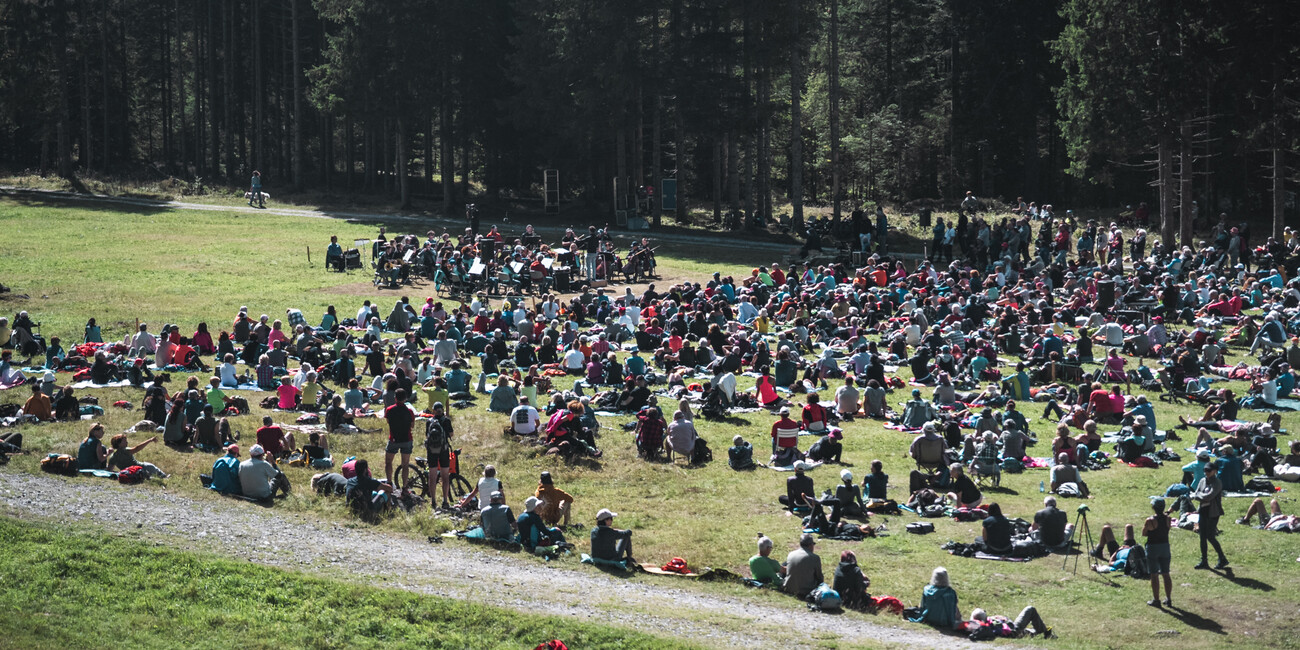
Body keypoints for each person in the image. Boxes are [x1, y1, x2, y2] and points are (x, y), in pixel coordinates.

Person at [1192, 461, 1229, 570]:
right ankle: (1204, 560)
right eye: (1205, 470)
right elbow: (1196, 493)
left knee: (1210, 536)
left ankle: (1222, 558)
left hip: (1213, 512)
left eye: (1208, 470)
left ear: (1215, 471)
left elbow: (1209, 496)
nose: (1206, 472)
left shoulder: (1217, 483)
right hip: (1203, 510)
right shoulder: (1203, 480)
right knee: (1202, 536)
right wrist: (1200, 496)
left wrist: (1200, 496)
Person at [1143, 497, 1174, 607]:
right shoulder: (1168, 519)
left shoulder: (1150, 520)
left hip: (1153, 548)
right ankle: (1169, 598)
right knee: (1166, 574)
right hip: (1165, 547)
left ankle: (1156, 600)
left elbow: (1144, 533)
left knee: (1154, 574)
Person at [423, 401, 454, 509]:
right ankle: (445, 501)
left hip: (431, 451)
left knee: (432, 476)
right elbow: (451, 434)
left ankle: (433, 501)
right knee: (445, 476)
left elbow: (427, 434)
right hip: (444, 450)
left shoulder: (429, 421)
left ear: (433, 411)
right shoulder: (446, 421)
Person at [384, 388, 415, 491]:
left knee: (388, 462)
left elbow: (388, 421)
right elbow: (412, 425)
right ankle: (405, 487)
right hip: (407, 439)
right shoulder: (409, 411)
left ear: (395, 398)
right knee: (405, 465)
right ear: (405, 398)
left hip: (394, 439)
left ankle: (389, 482)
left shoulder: (389, 410)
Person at [782, 533, 823, 599]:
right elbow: (819, 577)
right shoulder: (815, 558)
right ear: (810, 545)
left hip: (789, 588)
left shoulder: (791, 554)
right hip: (806, 591)